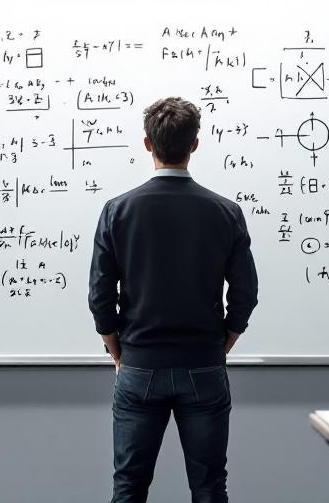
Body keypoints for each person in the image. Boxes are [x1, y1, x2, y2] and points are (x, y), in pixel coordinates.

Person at [88, 96, 259, 503]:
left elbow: (99, 295)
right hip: (203, 364)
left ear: (147, 144)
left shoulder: (117, 211)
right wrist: (224, 342)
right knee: (209, 488)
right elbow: (245, 293)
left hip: (139, 365)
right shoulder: (226, 212)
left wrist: (117, 351)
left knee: (128, 488)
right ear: (195, 145)